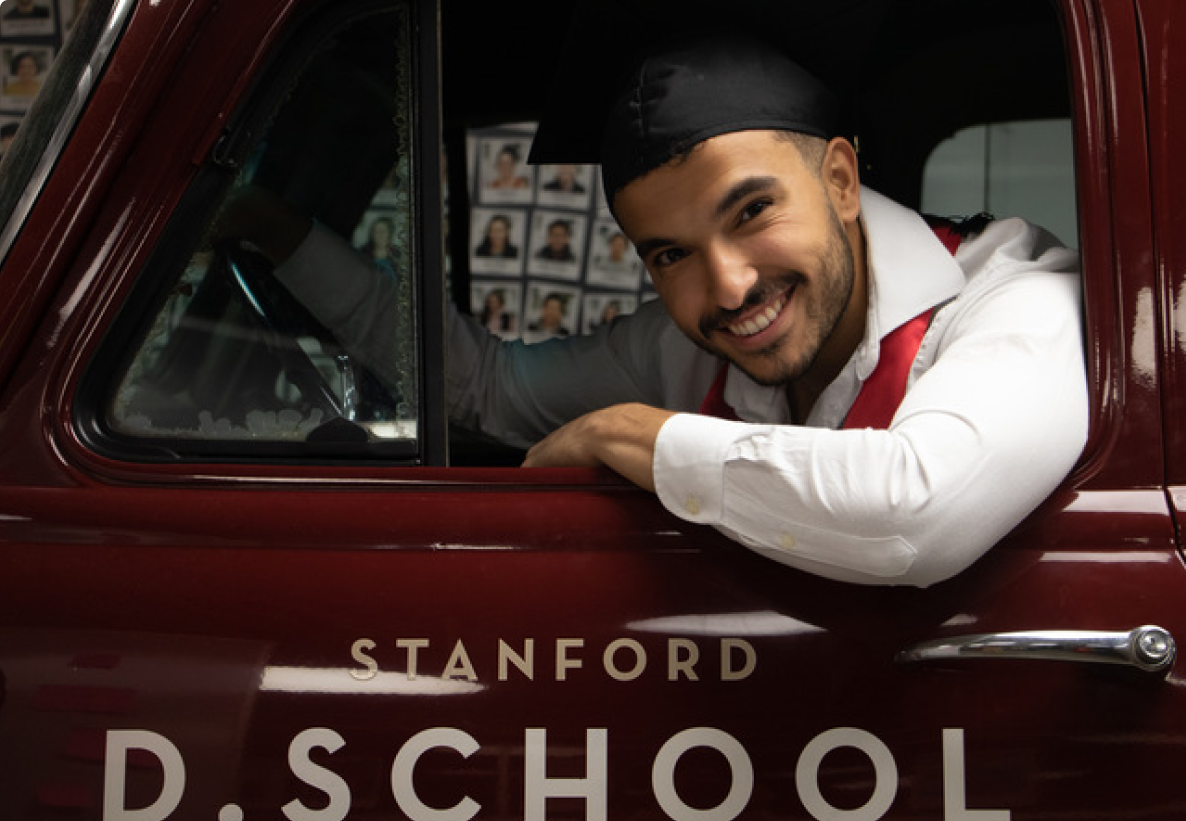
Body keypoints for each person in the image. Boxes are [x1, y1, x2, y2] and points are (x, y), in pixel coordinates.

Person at [235, 34, 1088, 587]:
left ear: (838, 179)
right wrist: (272, 231)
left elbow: (916, 516)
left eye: (752, 213)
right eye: (669, 254)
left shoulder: (1017, 293)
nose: (726, 289)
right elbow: (484, 387)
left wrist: (629, 434)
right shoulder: (692, 348)